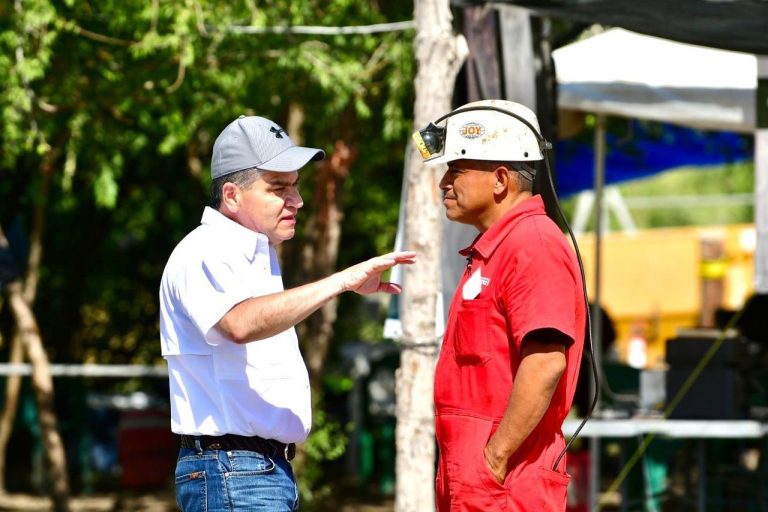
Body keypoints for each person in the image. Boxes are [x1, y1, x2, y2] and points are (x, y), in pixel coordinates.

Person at [159, 114, 416, 512]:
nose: (297, 201)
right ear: (231, 196)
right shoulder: (205, 249)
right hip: (233, 470)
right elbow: (240, 323)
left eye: (295, 187)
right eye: (279, 188)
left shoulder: (253, 255)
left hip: (253, 470)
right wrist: (341, 281)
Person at [416, 99, 586, 511]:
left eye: (456, 170)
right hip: (484, 482)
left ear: (500, 179)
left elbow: (546, 363)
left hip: (507, 485)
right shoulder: (500, 248)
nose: (444, 184)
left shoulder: (533, 245)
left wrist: (493, 459)